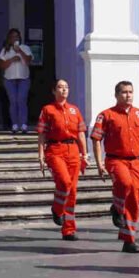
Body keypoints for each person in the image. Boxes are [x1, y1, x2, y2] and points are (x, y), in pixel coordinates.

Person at [91, 81, 139, 253]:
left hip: (136, 161)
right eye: (124, 92)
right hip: (115, 160)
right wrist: (99, 163)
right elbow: (96, 139)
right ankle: (118, 207)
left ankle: (129, 239)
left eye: (130, 92)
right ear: (116, 95)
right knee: (125, 184)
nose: (128, 95)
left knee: (136, 198)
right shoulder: (106, 115)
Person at [36, 79, 88, 241]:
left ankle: (69, 230)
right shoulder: (48, 110)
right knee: (64, 183)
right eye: (60, 87)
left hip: (72, 150)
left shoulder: (74, 110)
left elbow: (80, 133)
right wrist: (40, 154)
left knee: (72, 191)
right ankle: (57, 209)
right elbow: (42, 134)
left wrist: (84, 153)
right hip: (55, 150)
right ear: (54, 91)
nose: (64, 90)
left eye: (66, 87)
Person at [0, 28, 33, 134]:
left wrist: (20, 51)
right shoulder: (5, 50)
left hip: (23, 78)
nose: (15, 38)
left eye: (17, 36)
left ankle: (23, 124)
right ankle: (15, 124)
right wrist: (12, 59)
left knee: (21, 100)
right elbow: (2, 65)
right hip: (9, 79)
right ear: (9, 38)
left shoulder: (25, 48)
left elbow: (28, 61)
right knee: (13, 101)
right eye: (13, 36)